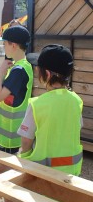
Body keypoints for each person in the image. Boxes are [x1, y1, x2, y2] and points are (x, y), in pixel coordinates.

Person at [18, 44, 83, 175]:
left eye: (38, 69)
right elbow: (77, 128)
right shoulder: (77, 101)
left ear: (47, 74)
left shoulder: (37, 104)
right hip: (71, 172)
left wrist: (24, 159)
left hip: (43, 173)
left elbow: (26, 141)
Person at [0, 25, 33, 202]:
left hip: (10, 134)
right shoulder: (22, 67)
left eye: (5, 44)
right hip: (11, 132)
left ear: (14, 45)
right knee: (5, 170)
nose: (4, 48)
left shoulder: (17, 70)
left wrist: (0, 73)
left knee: (4, 172)